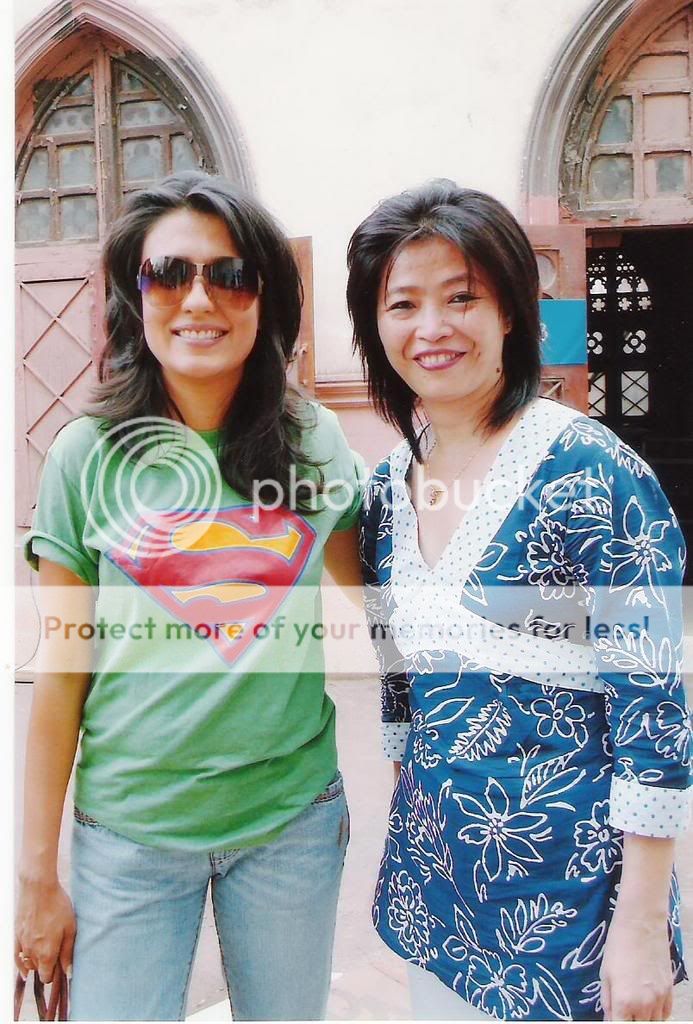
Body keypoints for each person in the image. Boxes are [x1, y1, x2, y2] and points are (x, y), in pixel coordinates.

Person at [16, 170, 364, 1021]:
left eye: (230, 274)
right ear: (134, 295)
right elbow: (61, 676)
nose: (199, 299)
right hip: (128, 837)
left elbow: (383, 602)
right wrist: (36, 878)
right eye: (168, 274)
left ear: (265, 299)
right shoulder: (86, 455)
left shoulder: (314, 443)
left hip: (289, 823)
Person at [348, 179, 691, 1021]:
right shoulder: (387, 488)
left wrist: (640, 924)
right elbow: (401, 684)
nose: (432, 327)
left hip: (570, 911)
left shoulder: (588, 471)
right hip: (435, 896)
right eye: (403, 304)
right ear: (375, 327)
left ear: (508, 311)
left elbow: (652, 703)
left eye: (461, 297)